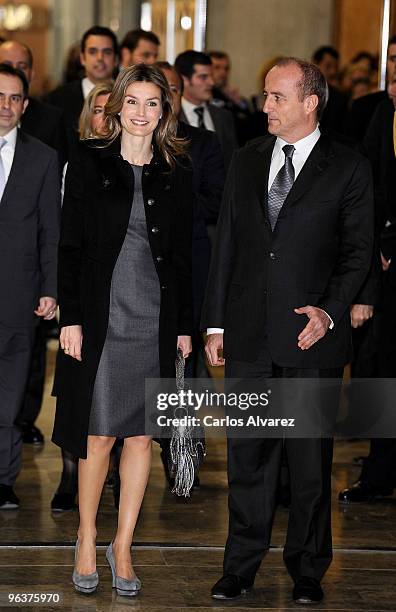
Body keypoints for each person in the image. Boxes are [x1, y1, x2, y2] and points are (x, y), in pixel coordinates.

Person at [201, 57, 374, 604]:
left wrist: (328, 311)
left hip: (310, 338)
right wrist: (215, 321)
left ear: (309, 102)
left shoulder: (347, 166)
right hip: (249, 335)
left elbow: (357, 253)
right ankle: (240, 566)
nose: (265, 105)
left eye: (276, 97)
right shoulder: (248, 159)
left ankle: (307, 569)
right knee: (248, 460)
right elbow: (227, 242)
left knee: (307, 465)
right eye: (265, 95)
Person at [52, 64, 193, 596]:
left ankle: (124, 544)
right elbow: (70, 247)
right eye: (131, 102)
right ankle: (87, 537)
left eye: (151, 103)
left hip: (154, 319)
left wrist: (183, 327)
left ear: (164, 111)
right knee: (98, 433)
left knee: (141, 435)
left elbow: (182, 258)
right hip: (101, 316)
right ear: (116, 108)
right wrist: (71, 318)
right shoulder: (88, 163)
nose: (140, 112)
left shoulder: (176, 171)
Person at [51, 82, 114, 513]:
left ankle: (107, 475)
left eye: (114, 109)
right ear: (86, 116)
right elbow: (63, 237)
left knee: (112, 397)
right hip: (78, 292)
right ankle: (70, 475)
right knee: (75, 395)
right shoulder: (72, 162)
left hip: (118, 300)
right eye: (98, 109)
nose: (105, 118)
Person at [0, 64, 60, 509]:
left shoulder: (42, 157)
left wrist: (50, 288)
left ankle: (3, 478)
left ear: (25, 104)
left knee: (10, 391)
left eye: (15, 98)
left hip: (19, 294)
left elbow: (49, 230)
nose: (6, 106)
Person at [339, 72, 396, 504]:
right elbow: (371, 188)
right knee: (380, 366)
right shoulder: (380, 115)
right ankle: (378, 471)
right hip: (385, 264)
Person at [45, 26, 118, 156]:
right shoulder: (55, 100)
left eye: (107, 52)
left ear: (116, 59)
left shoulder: (128, 97)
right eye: (93, 51)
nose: (100, 58)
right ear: (82, 58)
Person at [175, 50, 238, 171]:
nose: (211, 83)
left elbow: (232, 161)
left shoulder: (224, 116)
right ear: (184, 80)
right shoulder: (173, 116)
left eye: (211, 76)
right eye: (203, 77)